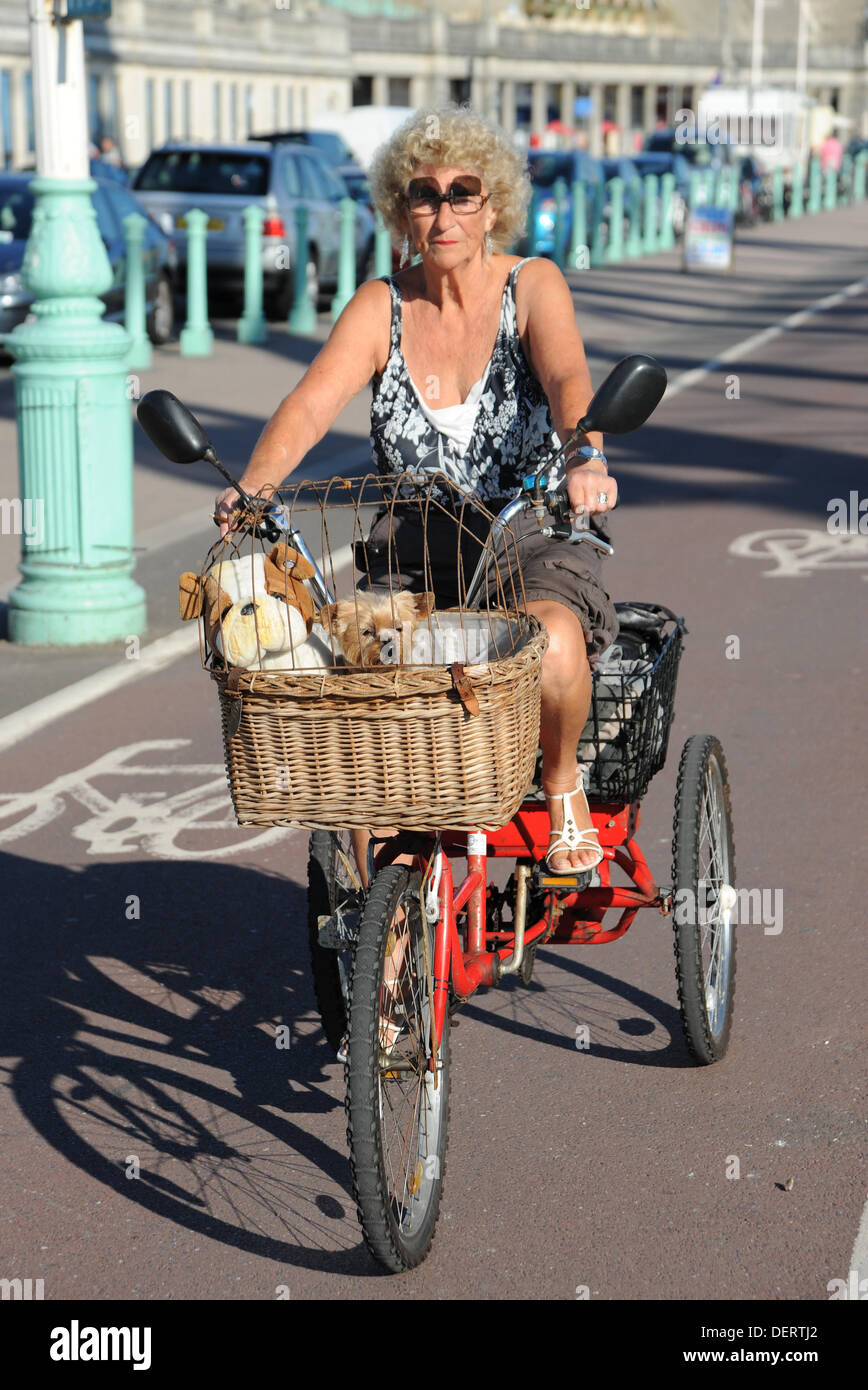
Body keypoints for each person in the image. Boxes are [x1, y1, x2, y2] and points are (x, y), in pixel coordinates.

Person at [214, 104, 619, 875]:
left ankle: (561, 783)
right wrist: (255, 488)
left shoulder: (530, 286)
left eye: (462, 191)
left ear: (492, 204)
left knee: (555, 645)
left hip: (529, 531)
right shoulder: (382, 306)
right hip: (414, 549)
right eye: (424, 195)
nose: (443, 210)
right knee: (359, 690)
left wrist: (583, 457)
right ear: (403, 212)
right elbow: (309, 403)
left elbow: (568, 375)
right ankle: (382, 931)